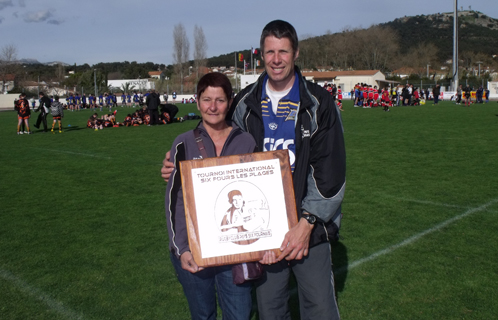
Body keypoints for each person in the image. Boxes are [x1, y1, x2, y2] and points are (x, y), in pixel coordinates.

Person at [162, 20, 345, 320]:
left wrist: (307, 222)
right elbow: (213, 123)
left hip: (308, 229)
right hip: (262, 228)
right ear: (261, 55)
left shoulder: (318, 102)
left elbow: (331, 170)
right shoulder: (246, 102)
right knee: (270, 311)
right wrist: (179, 155)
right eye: (270, 52)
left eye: (283, 51)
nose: (276, 59)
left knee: (320, 309)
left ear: (295, 53)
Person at [165, 73, 256, 320]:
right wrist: (182, 248)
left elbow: (256, 191)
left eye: (220, 100)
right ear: (197, 102)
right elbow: (174, 202)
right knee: (203, 315)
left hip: (234, 251)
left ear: (230, 101)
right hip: (195, 250)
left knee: (239, 315)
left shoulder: (246, 141)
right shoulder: (183, 143)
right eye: (206, 100)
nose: (213, 107)